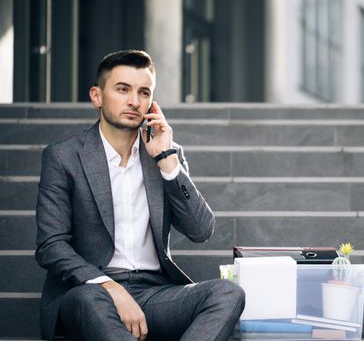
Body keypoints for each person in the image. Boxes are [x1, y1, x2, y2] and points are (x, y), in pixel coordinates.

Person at [35, 49, 245, 341]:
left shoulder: (164, 155)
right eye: (123, 89)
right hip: (91, 293)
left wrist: (168, 162)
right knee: (90, 300)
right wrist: (110, 287)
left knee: (227, 292)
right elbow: (51, 246)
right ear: (97, 96)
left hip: (155, 294)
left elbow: (200, 230)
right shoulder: (64, 157)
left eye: (144, 92)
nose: (134, 101)